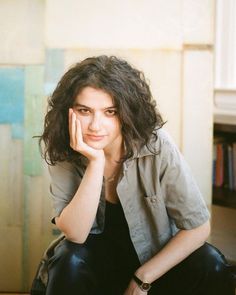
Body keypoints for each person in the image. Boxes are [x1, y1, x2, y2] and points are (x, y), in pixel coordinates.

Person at [34, 55, 235, 295]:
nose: (95, 125)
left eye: (110, 112)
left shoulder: (156, 145)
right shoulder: (63, 147)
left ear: (127, 112)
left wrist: (143, 278)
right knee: (68, 259)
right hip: (95, 271)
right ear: (69, 112)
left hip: (155, 264)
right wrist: (96, 162)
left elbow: (198, 227)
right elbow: (75, 234)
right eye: (84, 110)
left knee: (210, 262)